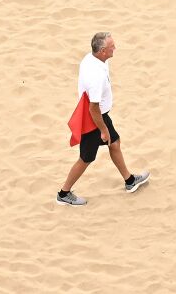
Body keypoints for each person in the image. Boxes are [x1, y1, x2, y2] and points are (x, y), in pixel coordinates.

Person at [57, 32, 148, 206]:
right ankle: (64, 193)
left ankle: (129, 181)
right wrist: (103, 130)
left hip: (100, 116)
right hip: (94, 119)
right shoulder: (96, 77)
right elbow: (93, 107)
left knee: (115, 143)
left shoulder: (92, 59)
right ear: (103, 51)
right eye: (112, 46)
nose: (115, 48)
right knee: (86, 158)